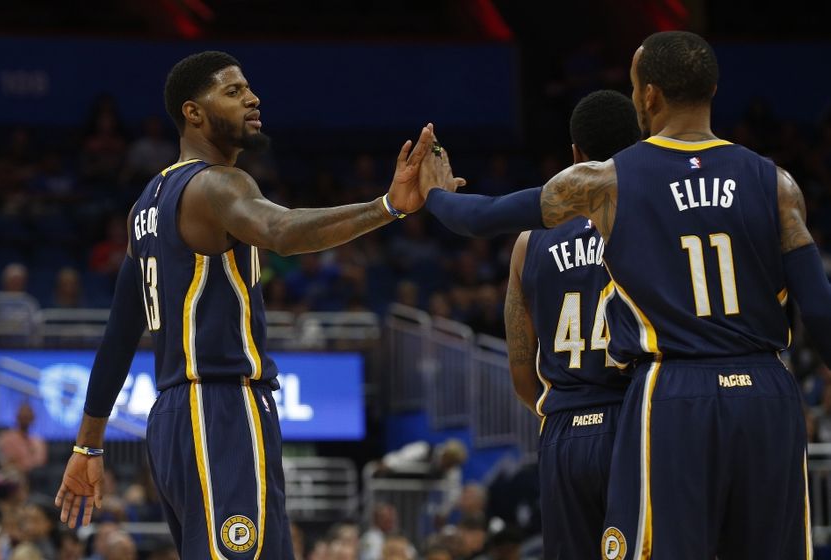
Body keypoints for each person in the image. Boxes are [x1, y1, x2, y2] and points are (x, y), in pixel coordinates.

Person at [423, 31, 831, 558]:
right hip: (768, 389)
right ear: (713, 88)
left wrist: (433, 194)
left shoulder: (608, 182)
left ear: (650, 96)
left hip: (675, 388)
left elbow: (483, 217)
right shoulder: (778, 185)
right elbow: (820, 311)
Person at [55, 50, 435, 559]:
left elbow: (121, 335)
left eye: (249, 89)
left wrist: (88, 444)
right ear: (193, 112)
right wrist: (387, 206)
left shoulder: (146, 203)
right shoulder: (216, 184)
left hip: (173, 417)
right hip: (220, 407)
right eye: (232, 92)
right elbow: (281, 231)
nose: (253, 98)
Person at [428, 90, 639, 558]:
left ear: (575, 156)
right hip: (635, 421)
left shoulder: (529, 243)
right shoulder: (648, 217)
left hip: (563, 429)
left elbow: (523, 377)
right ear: (639, 144)